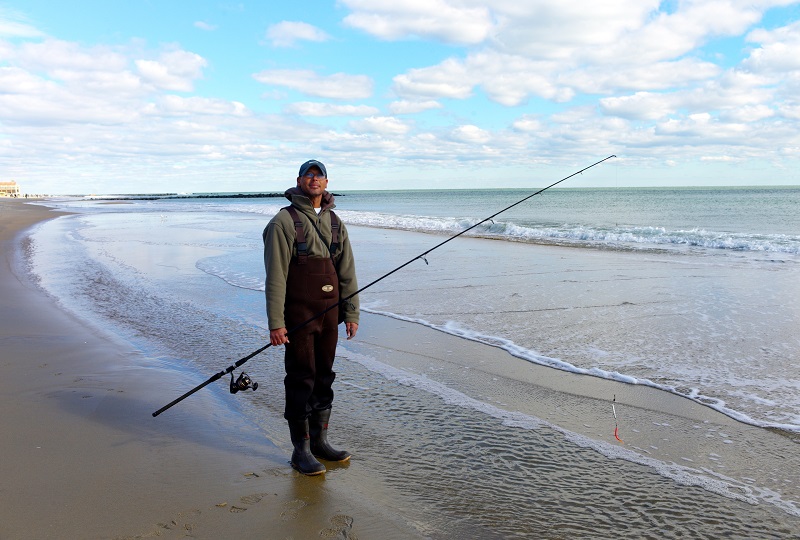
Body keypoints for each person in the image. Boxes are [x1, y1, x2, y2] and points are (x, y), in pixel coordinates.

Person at [262, 159, 360, 475]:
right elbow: (275, 277)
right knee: (301, 376)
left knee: (324, 375)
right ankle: (300, 450)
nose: (314, 179)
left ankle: (320, 442)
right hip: (298, 313)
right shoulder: (283, 222)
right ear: (299, 181)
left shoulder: (335, 222)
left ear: (327, 183)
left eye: (319, 175)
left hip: (330, 314)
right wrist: (276, 323)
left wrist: (351, 312)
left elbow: (347, 271)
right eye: (309, 174)